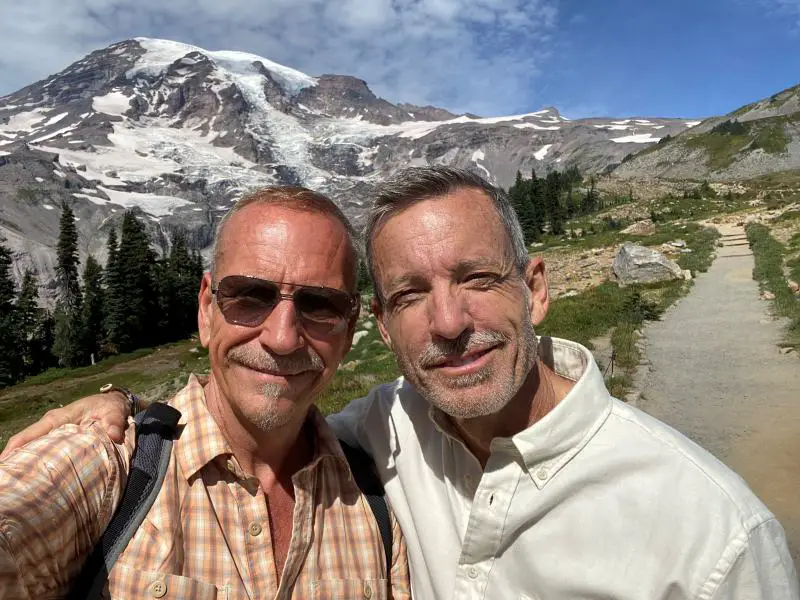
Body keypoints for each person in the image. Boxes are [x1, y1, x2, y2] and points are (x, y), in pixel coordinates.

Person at [7, 168, 799, 599]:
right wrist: (123, 410)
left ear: (538, 289)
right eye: (412, 295)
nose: (448, 323)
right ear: (383, 327)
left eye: (478, 279)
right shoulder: (377, 439)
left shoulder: (714, 533)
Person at [0, 187, 411, 599]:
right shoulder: (110, 465)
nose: (282, 338)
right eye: (250, 296)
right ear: (206, 311)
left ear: (347, 330)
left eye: (320, 304)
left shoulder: (378, 503)